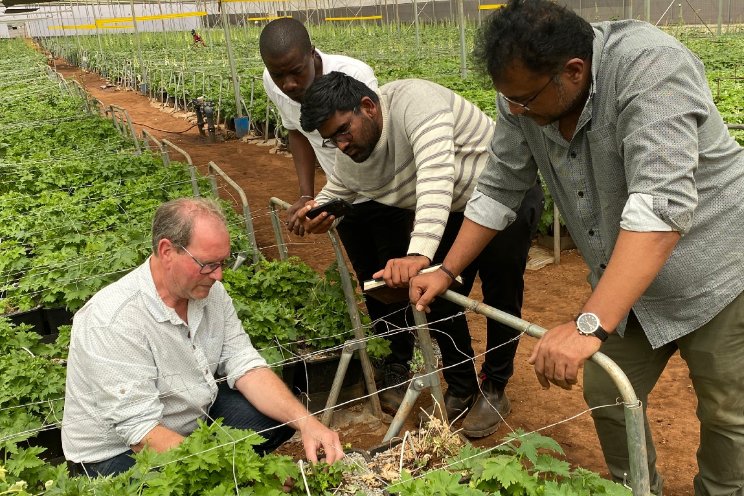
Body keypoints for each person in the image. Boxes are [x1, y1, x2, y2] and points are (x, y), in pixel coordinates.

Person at [410, 1, 744, 493]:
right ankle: (634, 488)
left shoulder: (651, 68)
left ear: (574, 71)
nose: (516, 111)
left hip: (714, 270)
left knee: (728, 411)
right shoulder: (522, 94)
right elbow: (500, 185)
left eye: (524, 99)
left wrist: (590, 323)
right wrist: (447, 268)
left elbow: (661, 206)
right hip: (625, 276)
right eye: (509, 100)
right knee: (608, 390)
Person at [299, 72, 543, 438]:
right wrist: (317, 208)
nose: (340, 145)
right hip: (458, 210)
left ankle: (494, 388)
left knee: (501, 293)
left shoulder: (418, 102)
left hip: (504, 197)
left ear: (367, 107)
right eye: (331, 139)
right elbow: (343, 187)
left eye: (342, 131)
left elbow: (435, 178)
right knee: (440, 297)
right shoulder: (352, 151)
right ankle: (461, 384)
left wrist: (418, 254)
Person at [61, 198, 343, 477]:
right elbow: (140, 432)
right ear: (167, 251)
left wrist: (307, 423)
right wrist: (242, 476)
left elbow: (243, 362)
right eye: (208, 264)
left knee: (281, 416)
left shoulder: (209, 292)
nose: (219, 275)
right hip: (117, 453)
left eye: (223, 262)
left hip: (190, 420)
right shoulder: (113, 320)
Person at [259, 18, 417, 414]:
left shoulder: (355, 75)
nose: (290, 84)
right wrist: (309, 196)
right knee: (369, 276)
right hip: (340, 193)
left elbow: (377, 137)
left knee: (398, 272)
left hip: (386, 188)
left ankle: (403, 357)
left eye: (296, 72)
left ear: (313, 55)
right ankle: (390, 351)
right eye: (280, 76)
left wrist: (351, 192)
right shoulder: (273, 80)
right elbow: (297, 132)